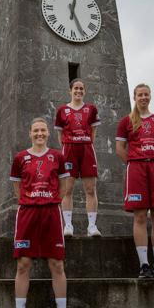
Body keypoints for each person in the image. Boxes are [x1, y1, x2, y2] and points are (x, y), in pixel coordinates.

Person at [5, 117, 75, 308]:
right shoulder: (20, 158)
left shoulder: (57, 156)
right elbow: (17, 187)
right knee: (23, 265)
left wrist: (50, 199)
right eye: (36, 130)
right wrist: (30, 200)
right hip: (28, 213)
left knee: (57, 265)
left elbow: (64, 186)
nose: (39, 134)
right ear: (30, 133)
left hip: (51, 213)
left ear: (47, 133)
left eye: (43, 130)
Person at [115, 84, 154, 279]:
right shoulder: (127, 121)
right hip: (137, 168)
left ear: (150, 96)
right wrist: (134, 161)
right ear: (134, 97)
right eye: (140, 95)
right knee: (139, 216)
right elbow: (120, 148)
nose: (143, 97)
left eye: (146, 94)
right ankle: (144, 265)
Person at [54, 79, 102, 237]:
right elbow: (60, 134)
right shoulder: (62, 110)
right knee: (67, 189)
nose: (78, 91)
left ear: (85, 91)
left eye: (81, 89)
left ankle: (92, 226)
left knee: (90, 189)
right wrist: (68, 144)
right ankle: (68, 225)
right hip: (69, 149)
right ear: (70, 91)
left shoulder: (91, 109)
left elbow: (93, 132)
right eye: (76, 88)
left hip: (87, 148)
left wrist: (85, 141)